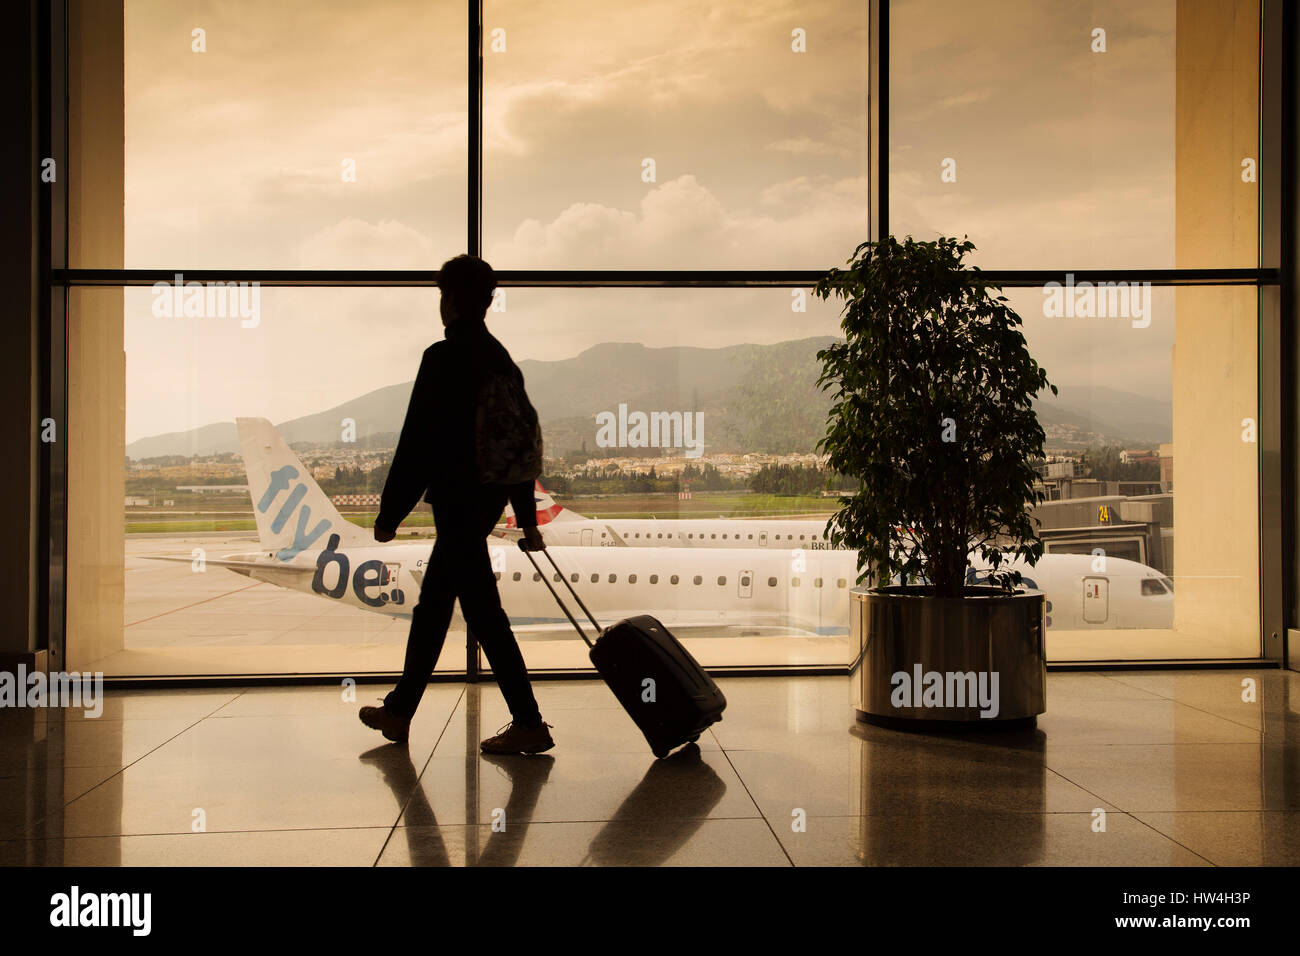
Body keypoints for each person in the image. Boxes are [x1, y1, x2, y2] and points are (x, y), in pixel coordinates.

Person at [359, 255, 553, 755]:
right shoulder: (501, 360)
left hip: (456, 500)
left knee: (483, 613)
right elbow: (518, 448)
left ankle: (530, 723)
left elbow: (418, 441)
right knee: (435, 606)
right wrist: (526, 521)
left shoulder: (444, 358)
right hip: (487, 500)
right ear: (488, 302)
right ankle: (400, 711)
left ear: (447, 300)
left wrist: (390, 513)